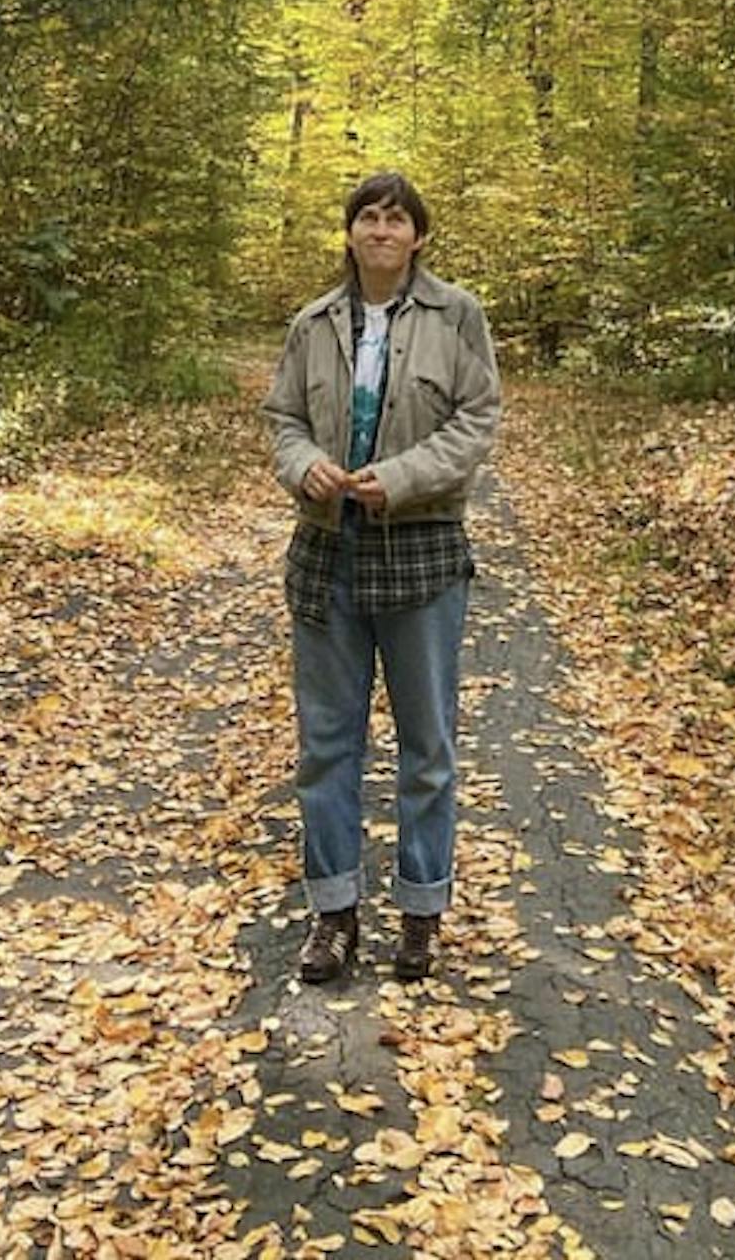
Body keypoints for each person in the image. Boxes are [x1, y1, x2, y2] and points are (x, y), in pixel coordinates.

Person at [262, 171, 502, 983]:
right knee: (327, 746)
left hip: (423, 553)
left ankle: (421, 915)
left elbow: (477, 419)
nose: (382, 231)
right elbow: (284, 418)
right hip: (327, 554)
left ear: (418, 237)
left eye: (398, 220)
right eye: (369, 218)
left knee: (426, 745)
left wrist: (398, 477)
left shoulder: (456, 315)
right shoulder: (313, 323)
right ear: (351, 233)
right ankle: (333, 914)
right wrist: (307, 470)